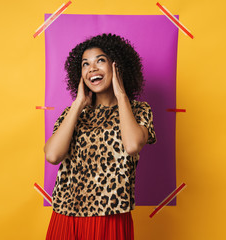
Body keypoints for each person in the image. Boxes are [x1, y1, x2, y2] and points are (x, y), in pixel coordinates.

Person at [44, 33, 156, 240]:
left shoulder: (139, 111)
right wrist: (78, 104)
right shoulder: (73, 114)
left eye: (100, 61)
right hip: (66, 214)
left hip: (110, 215)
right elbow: (52, 155)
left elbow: (132, 146)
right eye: (85, 64)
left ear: (117, 66)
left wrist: (121, 95)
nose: (92, 68)